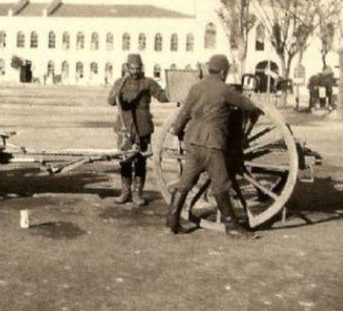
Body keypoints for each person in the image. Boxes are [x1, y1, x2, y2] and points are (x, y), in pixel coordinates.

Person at [165, 54, 260, 238]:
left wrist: (176, 130)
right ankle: (232, 226)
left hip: (193, 142)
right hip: (213, 144)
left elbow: (184, 112)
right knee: (221, 184)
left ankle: (171, 223)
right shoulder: (225, 90)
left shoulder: (196, 88)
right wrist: (253, 110)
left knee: (185, 183)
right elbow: (248, 105)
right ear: (223, 72)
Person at [107, 54, 169, 206]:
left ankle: (137, 193)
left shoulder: (148, 83)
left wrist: (173, 88)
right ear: (127, 68)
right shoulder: (120, 82)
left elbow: (162, 97)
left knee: (141, 160)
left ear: (141, 68)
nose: (135, 72)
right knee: (125, 160)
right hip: (125, 127)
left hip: (143, 127)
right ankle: (125, 192)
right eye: (132, 68)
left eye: (138, 68)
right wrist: (116, 93)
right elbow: (111, 101)